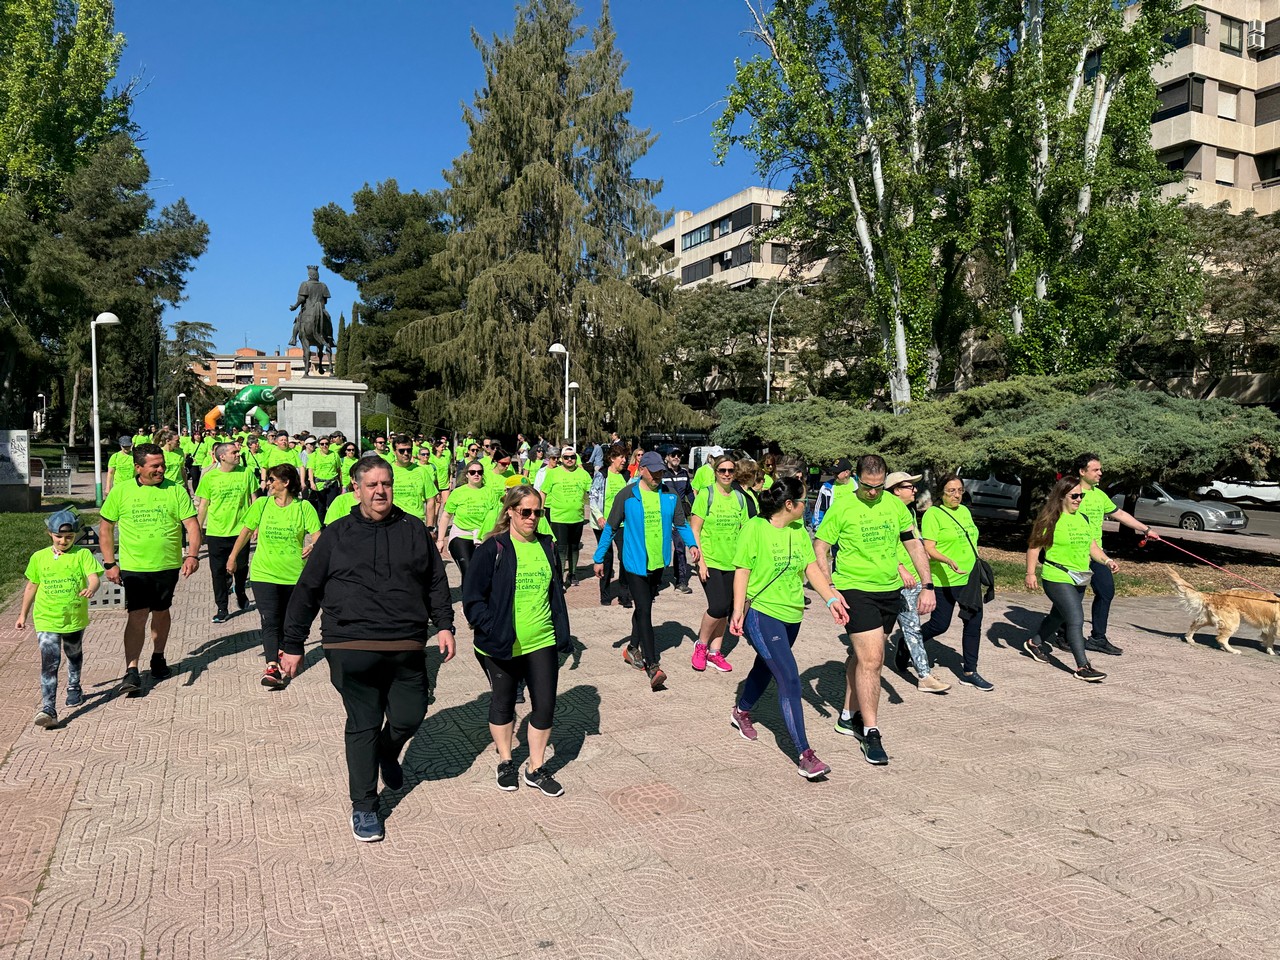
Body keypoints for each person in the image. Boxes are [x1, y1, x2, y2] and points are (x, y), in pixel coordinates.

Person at [282, 456, 456, 842]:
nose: (380, 491)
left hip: (406, 641)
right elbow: (307, 589)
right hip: (350, 642)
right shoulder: (337, 533)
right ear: (356, 489)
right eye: (372, 485)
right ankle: (364, 806)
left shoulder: (413, 529)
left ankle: (386, 751)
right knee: (363, 722)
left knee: (411, 715)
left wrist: (444, 624)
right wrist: (293, 644)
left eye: (386, 483)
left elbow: (434, 581)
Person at [814, 454, 934, 766]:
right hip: (854, 589)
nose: (873, 493)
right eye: (868, 487)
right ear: (858, 479)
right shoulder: (843, 506)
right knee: (873, 660)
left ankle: (846, 715)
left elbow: (913, 543)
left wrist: (928, 584)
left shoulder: (895, 506)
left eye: (879, 487)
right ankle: (871, 732)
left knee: (861, 655)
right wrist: (830, 591)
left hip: (889, 591)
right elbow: (820, 548)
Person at [728, 476, 849, 779]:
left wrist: (831, 598)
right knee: (790, 678)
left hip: (792, 615)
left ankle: (741, 710)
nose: (807, 506)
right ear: (789, 504)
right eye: (804, 501)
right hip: (762, 613)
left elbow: (811, 569)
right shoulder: (754, 529)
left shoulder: (798, 531)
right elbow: (742, 571)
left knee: (767, 667)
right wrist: (737, 611)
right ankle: (805, 755)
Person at [463, 486, 573, 796]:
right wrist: (493, 628)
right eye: (526, 512)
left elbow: (554, 594)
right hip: (500, 643)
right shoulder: (492, 548)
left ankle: (535, 767)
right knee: (504, 702)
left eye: (538, 512)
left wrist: (561, 631)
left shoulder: (548, 546)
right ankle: (506, 760)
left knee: (545, 706)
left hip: (542, 639)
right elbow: (472, 599)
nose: (533, 518)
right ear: (510, 511)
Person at [593, 450, 700, 691]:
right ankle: (653, 665)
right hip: (634, 563)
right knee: (644, 610)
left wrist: (692, 544)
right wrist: (599, 558)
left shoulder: (669, 495)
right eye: (653, 472)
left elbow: (681, 524)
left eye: (660, 472)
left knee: (644, 607)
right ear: (641, 470)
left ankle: (631, 649)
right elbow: (610, 528)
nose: (657, 476)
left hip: (657, 563)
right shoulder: (627, 495)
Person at [99, 443, 201, 693]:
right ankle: (131, 670)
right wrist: (110, 563)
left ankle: (158, 656)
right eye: (155, 466)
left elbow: (192, 526)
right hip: (134, 567)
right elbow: (106, 528)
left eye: (162, 464)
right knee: (137, 615)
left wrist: (193, 555)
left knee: (162, 611)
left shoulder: (175, 490)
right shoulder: (121, 491)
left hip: (167, 565)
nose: (161, 469)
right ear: (138, 467)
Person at [228, 464, 321, 688]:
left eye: (271, 480)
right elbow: (246, 531)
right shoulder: (262, 504)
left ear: (285, 483)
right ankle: (272, 666)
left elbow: (319, 536)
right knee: (270, 619)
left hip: (293, 575)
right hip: (264, 572)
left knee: (288, 620)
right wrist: (233, 557)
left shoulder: (304, 507)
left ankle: (284, 651)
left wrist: (313, 547)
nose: (268, 484)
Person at [15, 509, 104, 728]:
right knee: (49, 663)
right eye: (59, 536)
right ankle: (49, 708)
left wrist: (91, 588)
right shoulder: (39, 557)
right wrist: (22, 614)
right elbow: (32, 585)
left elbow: (93, 578)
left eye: (69, 537)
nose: (64, 541)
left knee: (73, 655)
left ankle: (74, 686)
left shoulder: (82, 555)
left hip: (73, 618)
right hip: (46, 618)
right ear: (50, 534)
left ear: (74, 536)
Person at [1024, 477, 1116, 682]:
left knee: (1059, 616)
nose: (1079, 499)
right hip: (1057, 575)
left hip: (1080, 575)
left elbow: (1092, 547)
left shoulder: (1083, 518)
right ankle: (1083, 667)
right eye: (1074, 496)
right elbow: (1034, 546)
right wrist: (1030, 573)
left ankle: (1034, 643)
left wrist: (1107, 561)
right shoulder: (1050, 519)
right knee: (1075, 618)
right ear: (1062, 496)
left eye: (1081, 496)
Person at [1072, 452, 1159, 657]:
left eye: (1100, 469)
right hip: (1075, 554)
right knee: (1073, 599)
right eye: (1096, 470)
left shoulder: (1099, 494)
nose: (1100, 473)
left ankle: (1098, 639)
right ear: (1082, 471)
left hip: (1097, 554)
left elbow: (1119, 514)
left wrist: (1146, 530)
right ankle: (1062, 633)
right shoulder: (1070, 494)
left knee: (1106, 591)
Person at [919, 475, 993, 691]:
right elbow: (929, 548)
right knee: (939, 625)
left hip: (969, 578)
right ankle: (909, 643)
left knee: (973, 622)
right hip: (945, 578)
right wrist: (948, 560)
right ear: (941, 492)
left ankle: (970, 671)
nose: (956, 495)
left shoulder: (965, 512)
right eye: (951, 491)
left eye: (960, 490)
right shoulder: (934, 514)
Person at [885, 473, 950, 694]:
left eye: (914, 486)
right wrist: (900, 567)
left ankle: (924, 674)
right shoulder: (887, 511)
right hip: (896, 580)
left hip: (912, 580)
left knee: (911, 627)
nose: (914, 490)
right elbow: (881, 547)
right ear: (895, 489)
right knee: (897, 629)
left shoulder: (908, 511)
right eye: (909, 486)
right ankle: (924, 674)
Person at [688, 453, 748, 673]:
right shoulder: (706, 494)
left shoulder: (739, 497)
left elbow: (744, 531)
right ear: (715, 472)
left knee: (727, 608)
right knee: (718, 606)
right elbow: (694, 529)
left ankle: (715, 652)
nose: (726, 474)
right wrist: (701, 561)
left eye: (730, 470)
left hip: (733, 562)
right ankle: (701, 645)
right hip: (710, 560)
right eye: (722, 470)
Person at [195, 441, 258, 623]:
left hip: (241, 531)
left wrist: (256, 526)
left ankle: (239, 590)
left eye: (238, 452)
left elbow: (254, 499)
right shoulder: (209, 477)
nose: (238, 454)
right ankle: (222, 607)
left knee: (241, 566)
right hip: (216, 532)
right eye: (234, 452)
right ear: (222, 456)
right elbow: (203, 505)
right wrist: (197, 530)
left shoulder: (246, 473)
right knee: (218, 572)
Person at [540, 445, 592, 588]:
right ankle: (560, 577)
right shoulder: (553, 473)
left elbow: (593, 493)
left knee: (574, 547)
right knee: (561, 548)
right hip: (559, 518)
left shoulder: (583, 474)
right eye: (566, 457)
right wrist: (540, 510)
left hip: (577, 517)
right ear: (561, 459)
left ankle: (573, 574)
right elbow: (543, 492)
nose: (570, 460)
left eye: (573, 457)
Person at [437, 458, 496, 579]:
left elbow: (495, 516)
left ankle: (477, 596)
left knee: (482, 572)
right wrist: (440, 540)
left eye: (479, 472)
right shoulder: (458, 492)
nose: (476, 475)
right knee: (468, 570)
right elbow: (446, 516)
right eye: (473, 472)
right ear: (467, 474)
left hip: (483, 536)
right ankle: (470, 597)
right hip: (461, 535)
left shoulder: (490, 492)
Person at [595, 443, 632, 609]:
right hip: (604, 523)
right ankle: (605, 593)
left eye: (625, 457)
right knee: (607, 558)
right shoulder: (602, 475)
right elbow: (593, 497)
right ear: (612, 458)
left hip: (623, 524)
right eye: (621, 457)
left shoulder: (626, 476)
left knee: (625, 557)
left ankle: (625, 595)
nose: (624, 460)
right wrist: (599, 516)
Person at [661, 447, 695, 594]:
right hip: (664, 515)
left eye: (679, 455)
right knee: (660, 547)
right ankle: (656, 579)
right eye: (673, 455)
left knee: (680, 548)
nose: (676, 457)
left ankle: (681, 581)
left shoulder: (684, 473)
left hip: (679, 515)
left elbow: (689, 492)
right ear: (667, 457)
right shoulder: (662, 473)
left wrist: (695, 508)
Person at [390, 434, 438, 525]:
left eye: (409, 450)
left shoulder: (421, 471)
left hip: (416, 522)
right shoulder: (388, 470)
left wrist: (430, 526)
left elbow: (431, 499)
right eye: (401, 451)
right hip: (393, 522)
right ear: (394, 451)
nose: (406, 453)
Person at [309, 435, 341, 515]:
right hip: (320, 483)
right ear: (319, 445)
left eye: (326, 443)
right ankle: (321, 524)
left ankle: (331, 524)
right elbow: (311, 469)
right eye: (322, 444)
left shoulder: (334, 454)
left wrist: (341, 483)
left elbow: (338, 469)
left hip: (332, 482)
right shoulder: (314, 455)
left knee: (332, 505)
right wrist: (312, 482)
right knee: (321, 505)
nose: (324, 446)